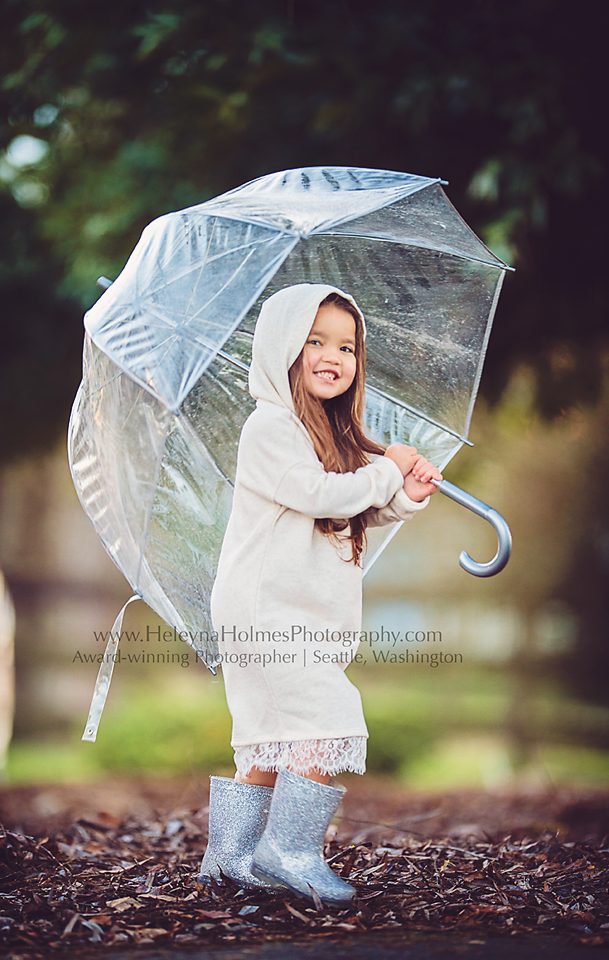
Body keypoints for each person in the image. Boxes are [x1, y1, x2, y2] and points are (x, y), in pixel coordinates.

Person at [200, 283, 441, 904]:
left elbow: (346, 514)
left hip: (296, 608)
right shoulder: (270, 428)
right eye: (314, 341)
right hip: (267, 608)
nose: (333, 355)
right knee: (328, 718)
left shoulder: (333, 435)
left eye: (347, 346)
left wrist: (404, 493)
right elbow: (321, 495)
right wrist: (385, 467)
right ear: (283, 348)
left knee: (266, 735)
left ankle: (230, 858)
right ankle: (289, 850)